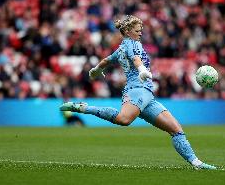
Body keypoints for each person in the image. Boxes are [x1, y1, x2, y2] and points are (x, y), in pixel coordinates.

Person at [60, 15, 216, 170]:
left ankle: (197, 163)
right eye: (138, 30)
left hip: (147, 94)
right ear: (128, 31)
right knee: (123, 120)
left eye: (141, 30)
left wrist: (96, 70)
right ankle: (84, 108)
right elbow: (136, 59)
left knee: (176, 130)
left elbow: (107, 60)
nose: (141, 33)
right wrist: (141, 70)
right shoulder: (132, 44)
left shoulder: (121, 48)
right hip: (137, 91)